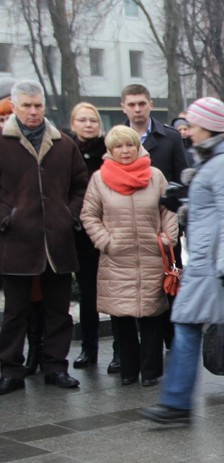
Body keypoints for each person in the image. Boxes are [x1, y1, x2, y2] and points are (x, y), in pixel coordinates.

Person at [139, 97, 224, 424]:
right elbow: (214, 209)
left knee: (191, 324)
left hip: (221, 264)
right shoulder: (217, 158)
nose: (187, 131)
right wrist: (182, 203)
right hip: (214, 261)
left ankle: (177, 403)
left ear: (209, 126)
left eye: (193, 125)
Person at [0, 79, 89, 395]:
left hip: (58, 242)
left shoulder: (64, 144)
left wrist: (71, 214)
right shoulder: (2, 142)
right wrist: (6, 216)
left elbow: (81, 185)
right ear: (15, 106)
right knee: (14, 313)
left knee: (58, 312)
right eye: (26, 106)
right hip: (16, 243)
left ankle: (55, 367)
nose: (33, 111)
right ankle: (11, 369)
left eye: (38, 105)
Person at [80, 126, 179, 387]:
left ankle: (150, 372)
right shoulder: (99, 179)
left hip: (151, 257)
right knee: (122, 319)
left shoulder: (155, 176)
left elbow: (169, 211)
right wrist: (106, 242)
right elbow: (89, 215)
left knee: (152, 318)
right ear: (110, 151)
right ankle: (128, 370)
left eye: (129, 145)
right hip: (116, 260)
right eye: (118, 147)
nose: (125, 151)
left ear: (138, 147)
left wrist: (166, 239)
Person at [121, 84, 189, 369]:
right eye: (132, 104)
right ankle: (125, 353)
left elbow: (182, 181)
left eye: (142, 103)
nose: (137, 109)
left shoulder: (170, 138)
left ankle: (174, 344)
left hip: (163, 228)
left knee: (168, 286)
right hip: (127, 230)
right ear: (123, 106)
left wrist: (176, 226)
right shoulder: (117, 139)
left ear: (150, 104)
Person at [67, 102, 107, 369]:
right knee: (87, 295)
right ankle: (88, 349)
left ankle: (119, 352)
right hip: (81, 237)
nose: (88, 125)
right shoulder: (67, 152)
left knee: (115, 295)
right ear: (73, 124)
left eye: (92, 120)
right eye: (82, 120)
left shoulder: (110, 149)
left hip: (110, 234)